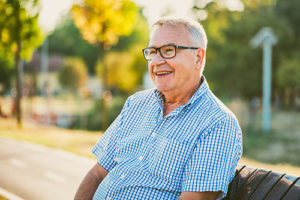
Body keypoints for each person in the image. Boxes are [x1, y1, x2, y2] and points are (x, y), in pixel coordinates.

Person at [74, 16, 242, 200]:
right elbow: (97, 174)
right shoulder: (135, 104)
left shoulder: (218, 122)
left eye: (169, 50)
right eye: (153, 52)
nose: (157, 61)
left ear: (198, 58)